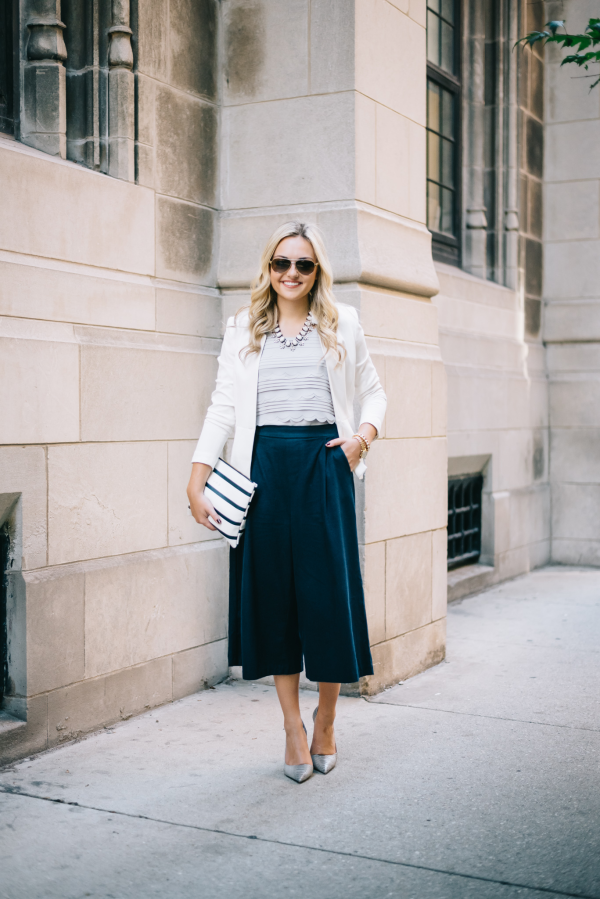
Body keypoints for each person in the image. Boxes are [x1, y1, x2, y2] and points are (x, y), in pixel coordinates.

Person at [187, 221, 386, 783]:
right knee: (274, 599)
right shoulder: (243, 327)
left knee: (327, 598)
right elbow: (223, 406)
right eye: (281, 263)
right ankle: (292, 726)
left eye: (303, 264)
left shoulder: (342, 323)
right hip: (264, 470)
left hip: (325, 464)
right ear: (268, 269)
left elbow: (374, 392)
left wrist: (361, 439)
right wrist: (196, 479)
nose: (291, 273)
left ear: (317, 271)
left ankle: (327, 718)